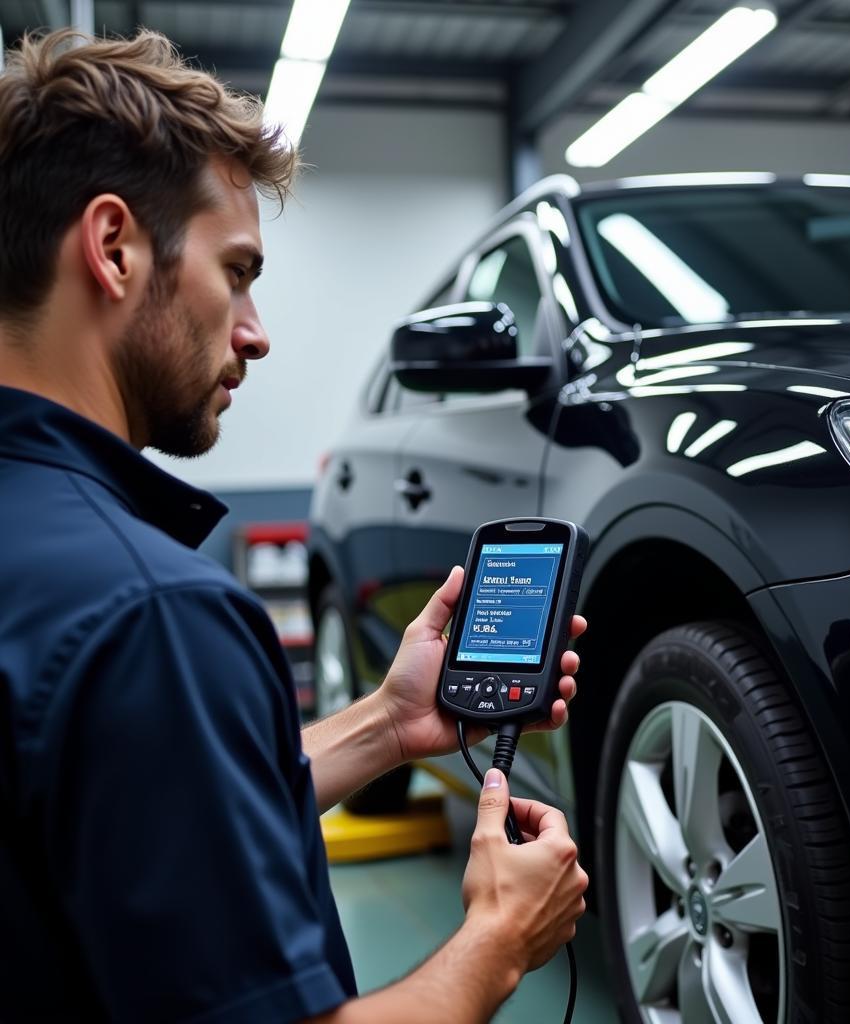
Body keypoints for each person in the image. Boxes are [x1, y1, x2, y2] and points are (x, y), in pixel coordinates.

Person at [0, 29, 588, 1023]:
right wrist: (498, 939)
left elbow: (140, 812)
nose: (257, 330)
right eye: (237, 272)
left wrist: (389, 726)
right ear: (112, 249)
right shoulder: (156, 616)